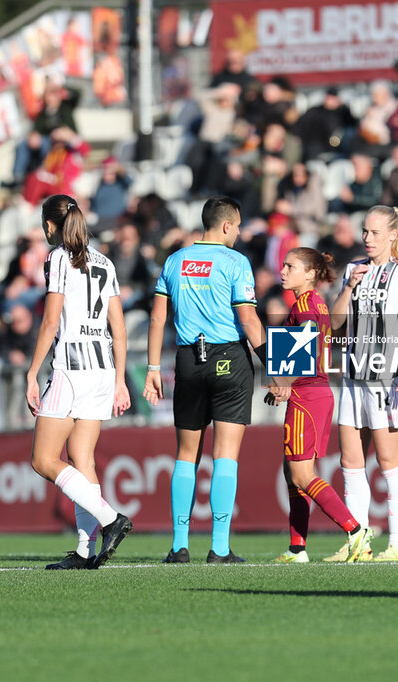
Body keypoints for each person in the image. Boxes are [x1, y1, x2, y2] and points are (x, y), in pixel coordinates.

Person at [144, 196, 282, 564]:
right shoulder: (235, 262)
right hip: (229, 360)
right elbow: (250, 322)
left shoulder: (175, 261)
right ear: (225, 225)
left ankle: (178, 546)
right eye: (237, 226)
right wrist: (275, 369)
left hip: (188, 359)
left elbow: (158, 320)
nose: (238, 232)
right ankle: (219, 547)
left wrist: (153, 369)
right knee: (226, 455)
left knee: (186, 454)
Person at [25, 195, 133, 570]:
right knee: (82, 459)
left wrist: (32, 372)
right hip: (103, 368)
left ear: (50, 225)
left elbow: (51, 322)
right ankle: (87, 551)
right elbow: (118, 328)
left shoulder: (57, 258)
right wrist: (120, 380)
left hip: (72, 367)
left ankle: (111, 519)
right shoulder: (105, 261)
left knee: (43, 460)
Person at [326, 205, 398, 562]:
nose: (367, 238)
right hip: (353, 376)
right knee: (350, 462)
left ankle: (397, 545)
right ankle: (359, 542)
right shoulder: (355, 270)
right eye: (365, 232)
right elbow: (336, 323)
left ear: (393, 235)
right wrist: (349, 286)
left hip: (387, 378)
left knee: (389, 461)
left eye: (374, 232)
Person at [269, 248, 373, 563]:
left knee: (302, 475)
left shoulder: (304, 307)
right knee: (293, 474)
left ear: (311, 273)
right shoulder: (311, 303)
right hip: (315, 393)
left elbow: (307, 347)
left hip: (307, 395)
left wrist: (284, 383)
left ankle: (356, 532)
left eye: (291, 266)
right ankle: (297, 548)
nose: (283, 270)